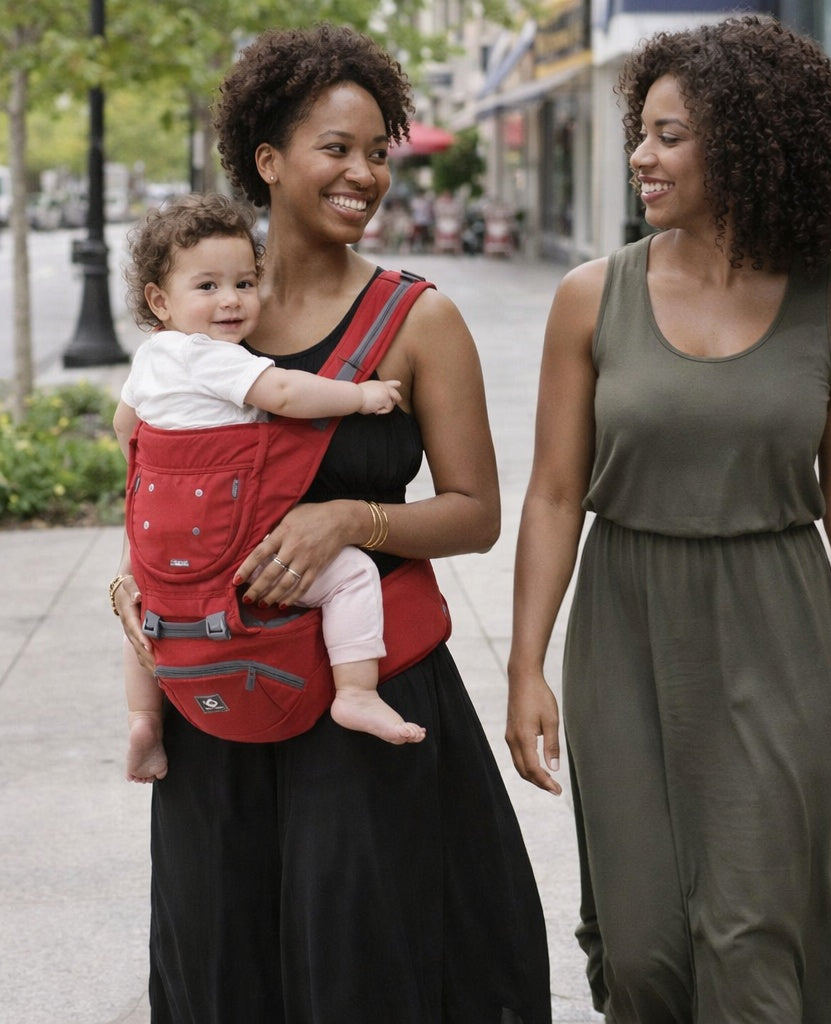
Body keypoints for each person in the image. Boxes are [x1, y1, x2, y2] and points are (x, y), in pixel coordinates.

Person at [110, 25, 551, 1022]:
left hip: (364, 697)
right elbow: (157, 478)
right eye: (337, 148)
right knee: (222, 962)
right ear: (267, 160)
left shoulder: (418, 319)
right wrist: (135, 582)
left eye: (377, 153)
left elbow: (477, 514)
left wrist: (350, 520)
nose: (365, 174)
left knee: (364, 966)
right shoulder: (203, 315)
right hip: (217, 699)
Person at [506, 16, 831, 1023]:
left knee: (749, 936)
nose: (641, 157)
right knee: (645, 947)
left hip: (776, 624)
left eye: (670, 136)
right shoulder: (588, 298)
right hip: (624, 624)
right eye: (641, 133)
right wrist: (526, 664)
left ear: (744, 146)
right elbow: (555, 493)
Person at [113, 192, 424, 784]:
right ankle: (356, 691)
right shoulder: (213, 357)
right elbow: (283, 393)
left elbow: (126, 429)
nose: (231, 299)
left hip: (164, 544)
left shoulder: (150, 359)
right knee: (351, 574)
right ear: (160, 301)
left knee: (148, 614)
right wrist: (361, 396)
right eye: (207, 286)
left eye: (244, 283)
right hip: (235, 538)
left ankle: (143, 718)